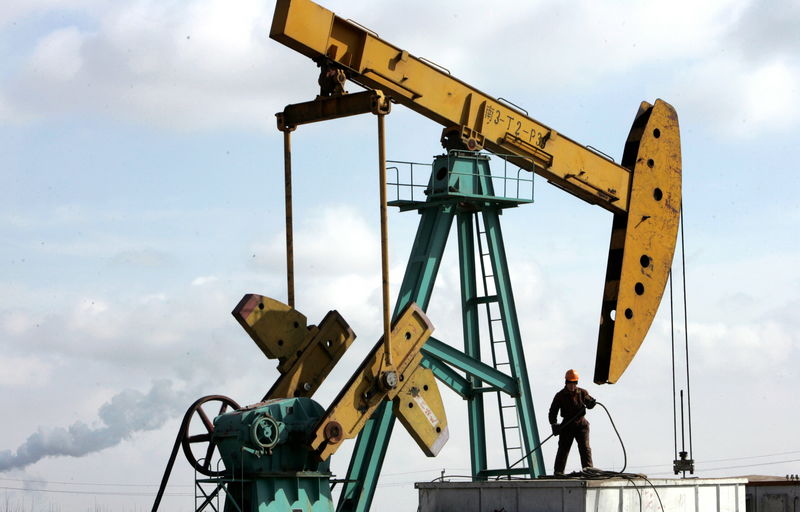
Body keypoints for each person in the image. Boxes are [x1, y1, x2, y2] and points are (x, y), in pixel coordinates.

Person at [548, 369, 596, 475]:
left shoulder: (583, 393)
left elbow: (589, 402)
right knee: (563, 449)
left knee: (585, 449)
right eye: (570, 383)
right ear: (566, 382)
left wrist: (591, 403)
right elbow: (552, 411)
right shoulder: (559, 395)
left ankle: (588, 471)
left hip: (581, 425)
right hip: (567, 426)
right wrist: (554, 424)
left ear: (576, 383)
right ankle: (558, 472)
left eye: (574, 383)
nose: (572, 386)